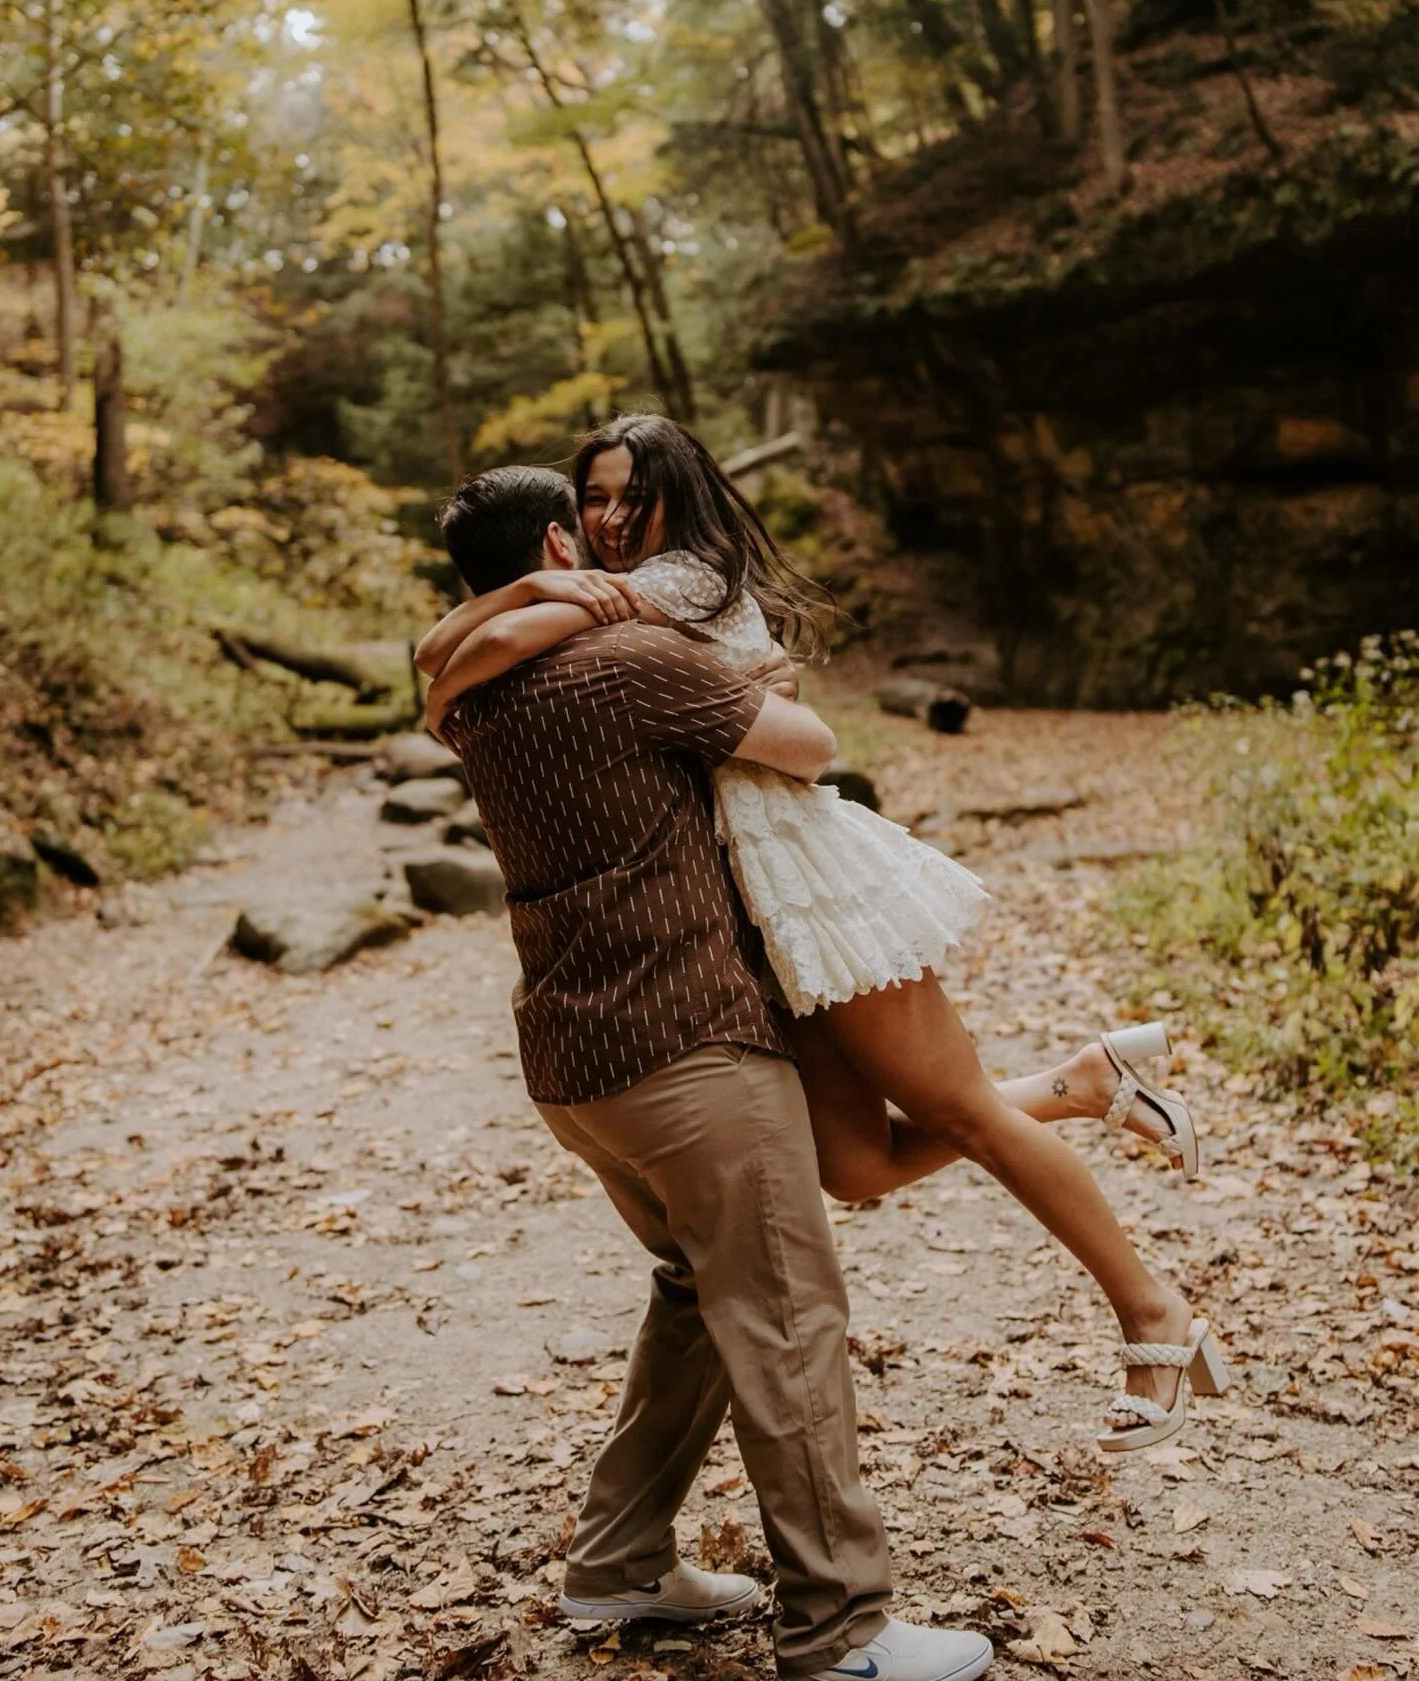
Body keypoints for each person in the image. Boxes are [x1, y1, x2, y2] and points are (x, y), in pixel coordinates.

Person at [417, 419, 1230, 1454]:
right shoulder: (601, 596)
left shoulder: (677, 581)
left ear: (678, 499)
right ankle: (1082, 1083)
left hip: (806, 882)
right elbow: (451, 651)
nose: (613, 518)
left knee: (964, 1115)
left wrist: (473, 660)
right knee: (855, 1165)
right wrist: (531, 594)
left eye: (634, 496)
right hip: (745, 910)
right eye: (596, 500)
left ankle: (1153, 1316)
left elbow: (463, 653)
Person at [431, 462, 995, 1681]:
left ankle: (617, 1563)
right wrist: (752, 683)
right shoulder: (629, 658)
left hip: (575, 1067)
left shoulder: (467, 694)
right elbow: (813, 750)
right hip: (689, 1044)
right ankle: (840, 1627)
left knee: (697, 1292)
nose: (612, 539)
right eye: (590, 525)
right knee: (786, 1316)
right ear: (557, 544)